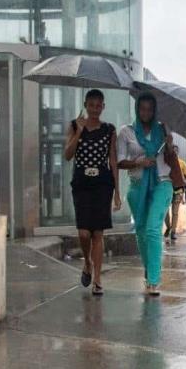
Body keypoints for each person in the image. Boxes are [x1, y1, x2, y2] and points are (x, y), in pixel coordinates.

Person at [63, 89, 121, 296]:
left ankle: (97, 278)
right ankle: (87, 262)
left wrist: (117, 192)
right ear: (86, 105)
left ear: (103, 107)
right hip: (81, 183)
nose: (95, 109)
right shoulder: (73, 125)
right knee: (84, 232)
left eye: (99, 105)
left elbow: (112, 160)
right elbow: (68, 155)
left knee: (98, 232)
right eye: (91, 105)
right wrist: (79, 132)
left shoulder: (109, 130)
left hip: (102, 184)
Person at [117, 93, 176, 296]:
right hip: (137, 186)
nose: (146, 112)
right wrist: (139, 162)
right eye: (142, 108)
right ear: (137, 109)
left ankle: (153, 280)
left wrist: (169, 144)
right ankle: (149, 268)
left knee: (152, 230)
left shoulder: (163, 129)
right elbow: (119, 161)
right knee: (141, 233)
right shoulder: (126, 132)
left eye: (150, 109)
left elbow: (171, 158)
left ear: (155, 110)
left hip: (162, 184)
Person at [163, 145, 186, 241]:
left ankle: (173, 231)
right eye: (173, 150)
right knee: (165, 210)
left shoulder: (182, 163)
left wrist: (183, 184)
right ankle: (169, 227)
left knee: (175, 212)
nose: (174, 152)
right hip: (167, 189)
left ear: (178, 152)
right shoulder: (165, 163)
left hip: (178, 190)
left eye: (176, 151)